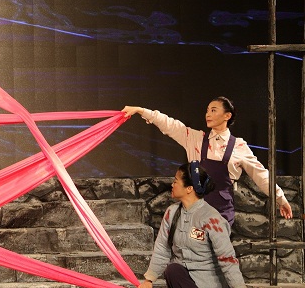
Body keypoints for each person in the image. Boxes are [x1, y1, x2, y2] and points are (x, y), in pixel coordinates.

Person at [122, 97, 293, 226]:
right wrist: (140, 110)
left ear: (227, 115)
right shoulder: (195, 139)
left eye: (213, 110)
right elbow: (170, 125)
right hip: (195, 210)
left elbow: (261, 175)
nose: (208, 114)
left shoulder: (238, 146)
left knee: (216, 254)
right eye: (207, 110)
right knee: (194, 254)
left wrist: (281, 199)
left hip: (221, 213)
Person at [138, 161, 265, 288]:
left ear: (189, 188)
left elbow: (226, 256)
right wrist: (149, 280)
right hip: (187, 286)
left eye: (176, 181)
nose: (172, 184)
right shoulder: (171, 213)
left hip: (207, 287)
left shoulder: (211, 218)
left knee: (173, 269)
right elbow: (162, 248)